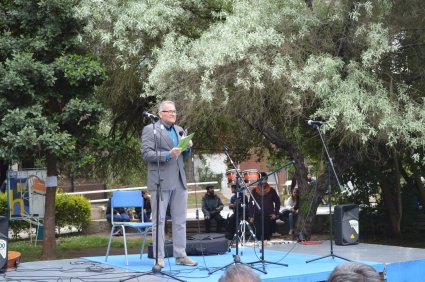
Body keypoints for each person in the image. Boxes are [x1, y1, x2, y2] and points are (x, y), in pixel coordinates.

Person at [141, 100, 197, 268]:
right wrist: (167, 154)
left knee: (180, 221)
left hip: (179, 180)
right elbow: (146, 154)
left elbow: (182, 158)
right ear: (160, 114)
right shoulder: (151, 129)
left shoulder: (180, 130)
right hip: (161, 180)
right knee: (159, 221)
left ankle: (180, 255)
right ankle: (160, 258)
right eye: (169, 111)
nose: (173, 114)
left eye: (174, 111)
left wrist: (187, 148)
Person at [248, 172, 281, 242]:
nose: (263, 181)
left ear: (266, 180)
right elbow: (251, 204)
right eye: (261, 179)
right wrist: (251, 216)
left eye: (264, 179)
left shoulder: (272, 191)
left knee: (267, 237)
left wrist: (275, 213)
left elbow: (278, 202)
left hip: (268, 217)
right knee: (258, 236)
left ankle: (267, 252)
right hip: (257, 216)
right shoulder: (254, 191)